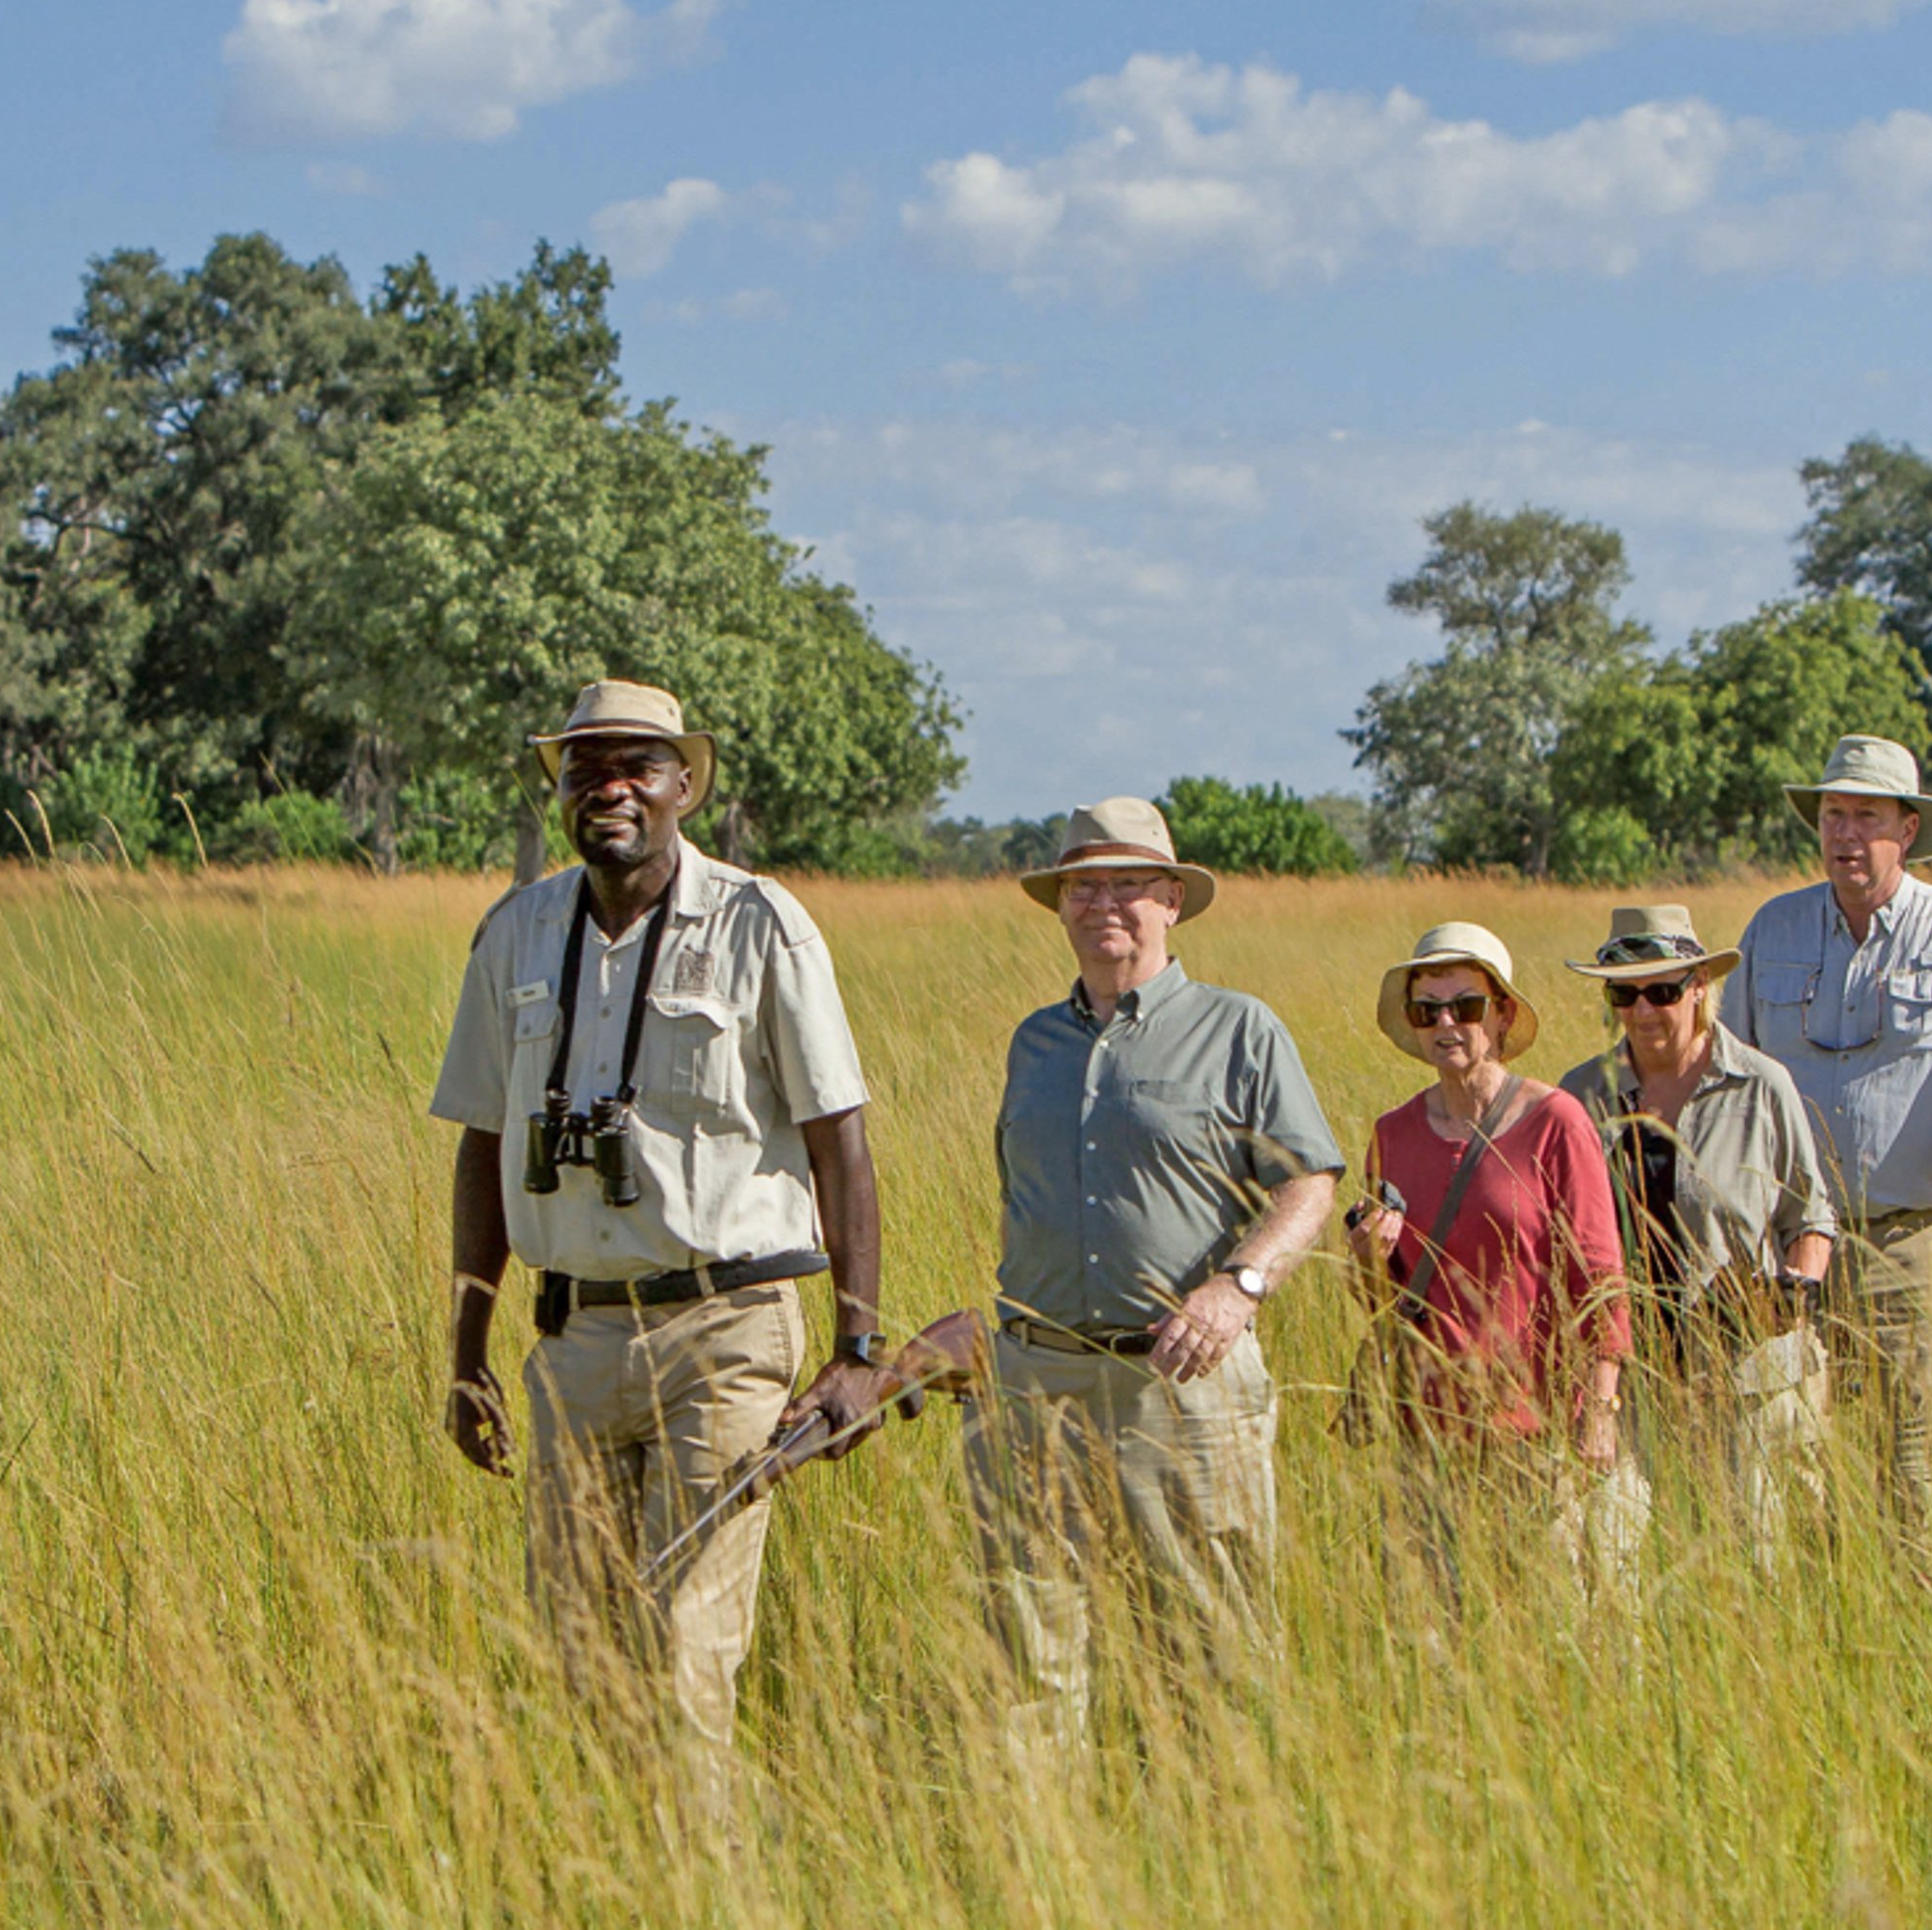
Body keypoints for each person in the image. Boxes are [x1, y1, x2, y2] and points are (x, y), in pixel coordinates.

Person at [429, 680, 888, 1788]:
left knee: (686, 1657)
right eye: (586, 769)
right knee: (580, 1659)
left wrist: (859, 1352)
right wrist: (466, 1356)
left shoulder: (759, 922)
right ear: (562, 792)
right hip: (574, 1341)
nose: (611, 789)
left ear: (685, 784)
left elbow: (842, 1144)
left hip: (726, 1328)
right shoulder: (516, 931)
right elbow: (482, 1150)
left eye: (638, 765)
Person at [968, 797, 1343, 1750]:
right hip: (1036, 1384)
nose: (1106, 903)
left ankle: (1216, 1865)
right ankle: (1043, 1874)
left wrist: (1240, 1285)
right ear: (1060, 904)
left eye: (1129, 883)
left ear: (1171, 899)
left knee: (1211, 1654)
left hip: (1182, 1387)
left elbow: (1308, 1182)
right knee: (1027, 1650)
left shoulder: (1237, 1030)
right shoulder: (1034, 1044)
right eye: (1084, 884)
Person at [1714, 734, 1932, 1560]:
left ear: (1907, 828)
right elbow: (1730, 1077)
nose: (1844, 833)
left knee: (1915, 1475)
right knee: (1777, 1462)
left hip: (1917, 1244)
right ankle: (1802, 1639)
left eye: (1864, 815)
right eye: (1831, 815)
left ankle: (1906, 1646)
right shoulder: (1772, 928)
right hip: (1789, 1251)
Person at [1344, 922, 1633, 1602]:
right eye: (1428, 1009)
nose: (1447, 1023)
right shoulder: (1394, 1131)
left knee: (1546, 1631)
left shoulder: (1555, 1121)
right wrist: (1365, 1258)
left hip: (1532, 1432)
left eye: (1466, 1005)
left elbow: (1600, 1279)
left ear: (1501, 1014)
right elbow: (1386, 1299)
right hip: (1423, 1435)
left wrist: (1599, 1407)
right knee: (1429, 1641)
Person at [1555, 904, 1838, 1565]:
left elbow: (1813, 1218)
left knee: (1755, 1560)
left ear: (1701, 986)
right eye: (1624, 992)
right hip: (1628, 1378)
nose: (1644, 1009)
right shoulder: (1581, 1095)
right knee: (1614, 1561)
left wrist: (1788, 1295)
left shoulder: (1763, 1085)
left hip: (1749, 1380)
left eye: (1664, 989)